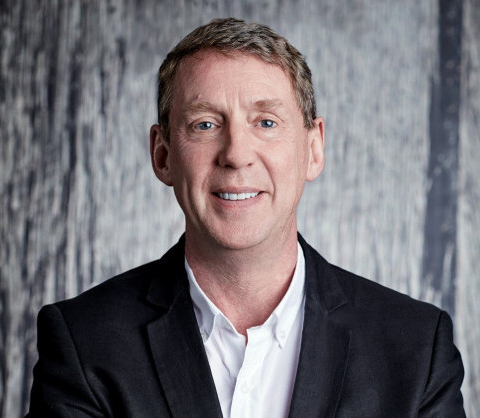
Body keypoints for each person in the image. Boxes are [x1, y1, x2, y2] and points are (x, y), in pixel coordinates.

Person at [26, 18, 465, 417]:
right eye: (204, 124)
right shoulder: (85, 343)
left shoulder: (416, 350)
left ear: (313, 149)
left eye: (266, 122)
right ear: (162, 155)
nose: (236, 153)